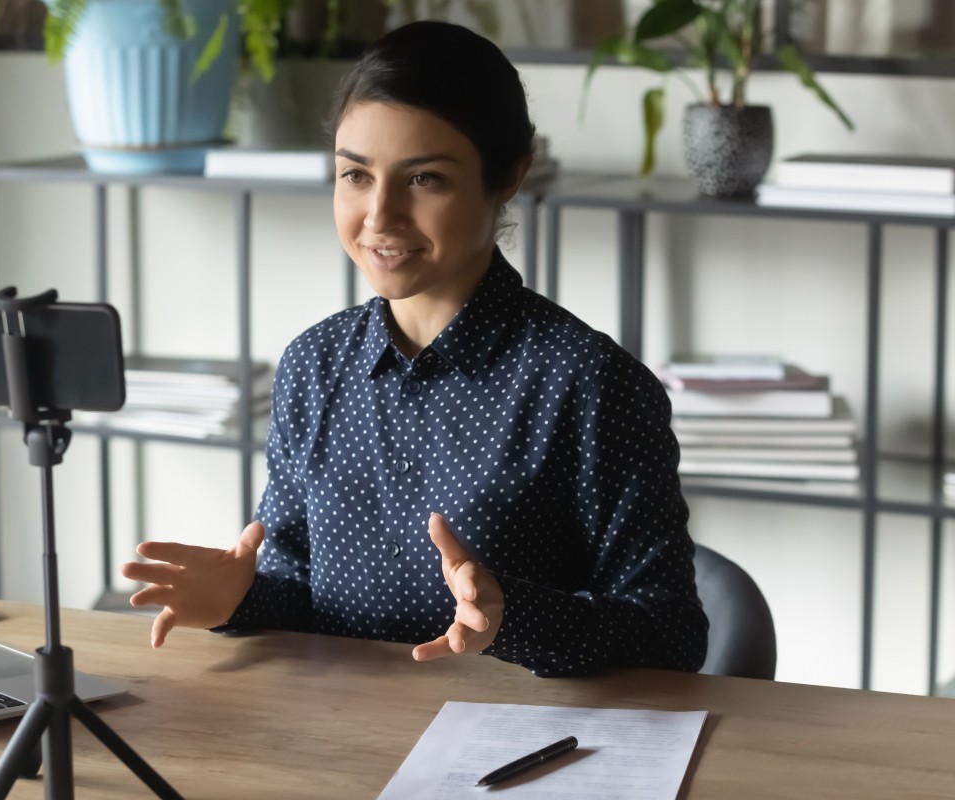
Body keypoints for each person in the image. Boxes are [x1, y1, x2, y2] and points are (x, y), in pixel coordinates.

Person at [122, 20, 708, 677]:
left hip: (524, 749)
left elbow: (670, 638)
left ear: (509, 175)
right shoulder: (314, 365)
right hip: (341, 735)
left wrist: (511, 617)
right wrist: (238, 598)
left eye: (424, 179)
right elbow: (294, 591)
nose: (379, 216)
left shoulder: (589, 382)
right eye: (354, 176)